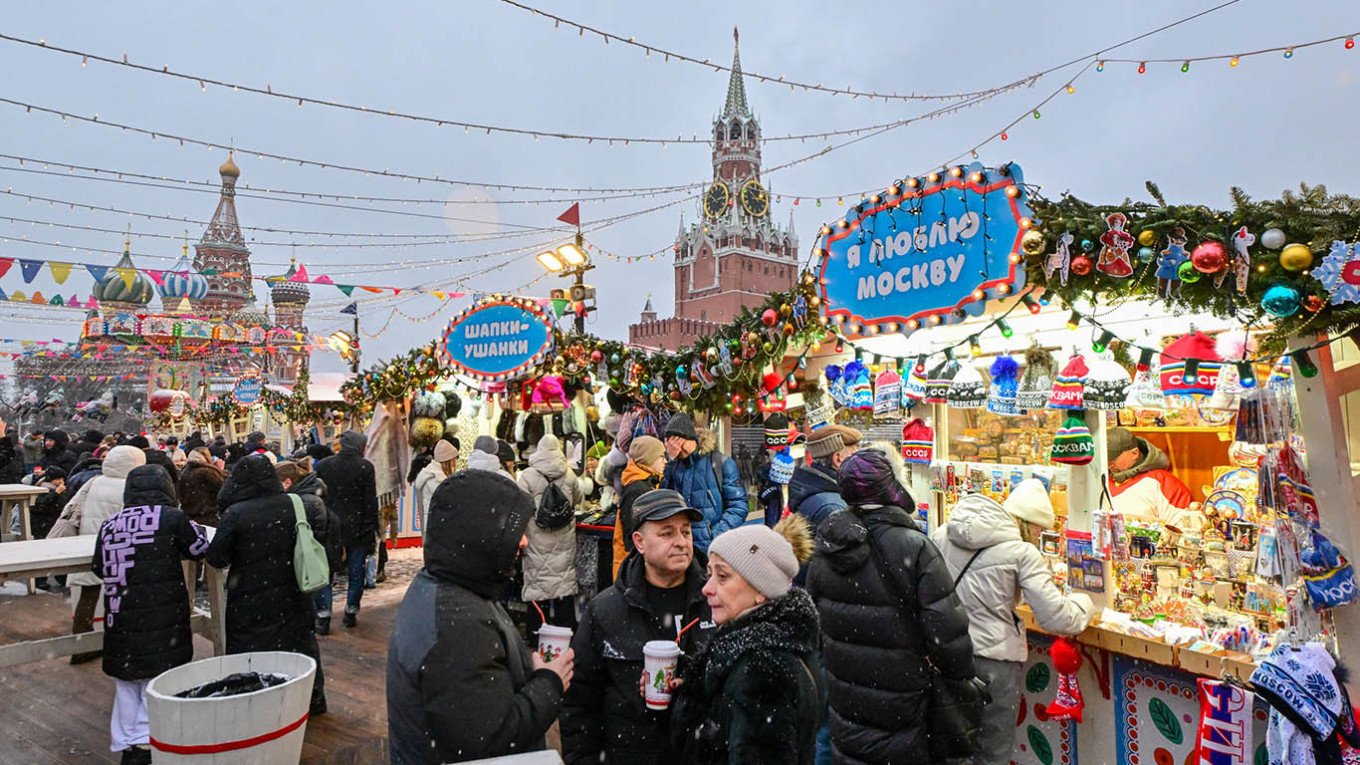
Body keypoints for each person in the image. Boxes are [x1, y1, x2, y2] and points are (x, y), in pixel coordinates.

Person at [807, 448, 985, 763]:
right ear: (891, 486)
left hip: (848, 707)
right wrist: (963, 679)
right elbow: (949, 636)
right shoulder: (913, 546)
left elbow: (817, 630)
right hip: (905, 706)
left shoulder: (825, 551)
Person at [387, 468, 573, 764]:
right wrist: (550, 683)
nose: (523, 541)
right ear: (478, 533)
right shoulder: (457, 624)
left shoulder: (454, 585)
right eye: (510, 528)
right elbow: (494, 739)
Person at [931, 478, 1094, 765]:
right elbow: (1055, 617)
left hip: (947, 653)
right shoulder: (1022, 553)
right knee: (992, 748)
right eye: (1040, 530)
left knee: (948, 743)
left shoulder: (944, 534)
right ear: (1029, 524)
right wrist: (1086, 604)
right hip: (994, 663)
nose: (1039, 536)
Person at [563, 489, 715, 764]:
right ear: (639, 542)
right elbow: (579, 703)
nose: (681, 542)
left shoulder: (716, 600)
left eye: (686, 531)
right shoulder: (605, 610)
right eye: (667, 533)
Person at [670, 515, 824, 763]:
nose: (706, 588)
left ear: (761, 590)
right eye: (710, 574)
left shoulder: (763, 670)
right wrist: (683, 692)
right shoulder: (765, 647)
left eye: (722, 576)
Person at [92, 464, 208, 765]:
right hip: (162, 617)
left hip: (121, 616)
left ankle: (127, 745)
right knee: (157, 684)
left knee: (128, 684)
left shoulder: (111, 524)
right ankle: (147, 748)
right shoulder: (171, 518)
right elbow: (198, 547)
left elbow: (99, 568)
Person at [205, 454, 328, 715]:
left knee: (250, 650)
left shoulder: (235, 513)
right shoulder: (294, 503)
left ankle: (253, 705)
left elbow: (217, 558)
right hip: (293, 591)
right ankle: (313, 700)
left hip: (250, 596)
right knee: (301, 644)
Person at [60, 445, 147, 664]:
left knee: (88, 597)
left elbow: (72, 508)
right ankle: (122, 643)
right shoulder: (131, 486)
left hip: (89, 545)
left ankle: (81, 644)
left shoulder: (94, 481)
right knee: (121, 595)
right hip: (119, 548)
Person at [314, 429, 379, 628]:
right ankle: (350, 612)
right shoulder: (365, 467)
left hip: (329, 527)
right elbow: (370, 502)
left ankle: (324, 616)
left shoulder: (324, 465)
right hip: (356, 528)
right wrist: (371, 530)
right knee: (356, 571)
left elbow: (318, 497)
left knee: (325, 573)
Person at [518, 433, 582, 633]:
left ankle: (537, 633)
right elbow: (578, 500)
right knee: (564, 586)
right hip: (563, 539)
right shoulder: (570, 474)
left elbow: (520, 507)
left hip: (537, 540)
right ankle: (566, 631)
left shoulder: (527, 475)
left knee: (538, 587)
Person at [659, 413, 748, 554]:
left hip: (714, 547)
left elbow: (739, 506)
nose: (677, 447)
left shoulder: (721, 463)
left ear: (690, 437)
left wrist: (715, 535)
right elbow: (662, 500)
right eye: (672, 443)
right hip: (682, 546)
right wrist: (669, 460)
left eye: (679, 441)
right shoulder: (673, 467)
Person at [276, 459, 341, 635]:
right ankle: (321, 617)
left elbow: (314, 530)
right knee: (320, 583)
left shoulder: (306, 499)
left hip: (316, 550)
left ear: (288, 482)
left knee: (318, 583)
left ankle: (322, 618)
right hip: (322, 548)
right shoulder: (309, 494)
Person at [1106, 427, 1196, 525]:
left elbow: (1187, 527)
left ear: (1134, 453)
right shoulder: (1101, 480)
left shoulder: (1163, 482)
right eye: (1105, 458)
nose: (1109, 463)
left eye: (1113, 458)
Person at [788, 424, 861, 533]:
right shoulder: (833, 508)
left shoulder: (815, 489)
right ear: (838, 459)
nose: (860, 462)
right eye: (855, 455)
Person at [610, 434, 665, 578]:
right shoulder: (638, 488)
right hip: (633, 567)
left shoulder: (645, 483)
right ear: (649, 459)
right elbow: (633, 537)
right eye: (661, 456)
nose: (665, 461)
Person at [415, 439, 457, 533]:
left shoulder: (434, 474)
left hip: (434, 524)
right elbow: (448, 502)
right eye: (453, 460)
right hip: (436, 527)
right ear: (447, 461)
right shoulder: (436, 479)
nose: (455, 463)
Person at [177, 447, 226, 527]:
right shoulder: (208, 472)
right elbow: (223, 487)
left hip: (190, 515)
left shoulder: (184, 471)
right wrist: (220, 470)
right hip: (208, 514)